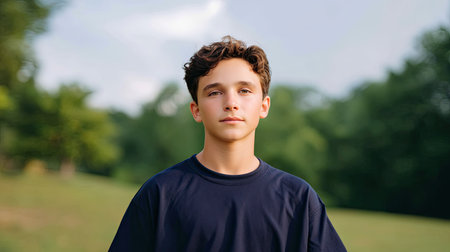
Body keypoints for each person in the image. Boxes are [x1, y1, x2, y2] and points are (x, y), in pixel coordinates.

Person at [109, 36, 347, 252]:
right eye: (214, 93)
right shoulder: (159, 194)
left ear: (263, 106)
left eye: (244, 90)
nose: (231, 102)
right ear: (196, 110)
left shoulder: (299, 199)